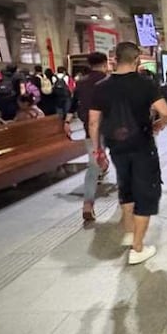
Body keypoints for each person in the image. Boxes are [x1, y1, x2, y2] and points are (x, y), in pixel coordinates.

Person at [89, 42, 167, 265]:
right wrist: (158, 125)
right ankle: (137, 247)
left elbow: (94, 122)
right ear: (136, 60)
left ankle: (128, 232)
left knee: (125, 186)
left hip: (116, 145)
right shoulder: (146, 83)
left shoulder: (101, 86)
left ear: (115, 59)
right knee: (146, 192)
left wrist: (98, 150)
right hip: (142, 144)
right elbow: (165, 111)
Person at [64, 53, 109, 223]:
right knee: (122, 161)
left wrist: (67, 121)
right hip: (113, 129)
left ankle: (88, 204)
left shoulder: (81, 83)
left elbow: (73, 103)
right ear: (105, 64)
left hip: (91, 129)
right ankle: (124, 199)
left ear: (89, 65)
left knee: (92, 166)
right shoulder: (110, 81)